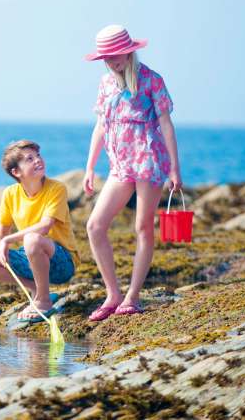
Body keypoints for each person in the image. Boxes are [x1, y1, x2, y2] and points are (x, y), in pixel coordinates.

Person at [82, 24, 182, 321]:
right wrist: (89, 167)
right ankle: (112, 294)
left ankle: (132, 297)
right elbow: (101, 125)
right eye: (106, 57)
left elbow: (165, 123)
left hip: (149, 160)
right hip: (120, 164)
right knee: (95, 226)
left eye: (115, 55)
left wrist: (175, 168)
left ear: (129, 51)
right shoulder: (105, 83)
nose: (111, 61)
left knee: (142, 227)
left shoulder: (151, 80)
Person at [0, 140, 78, 323]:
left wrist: (8, 240)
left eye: (38, 156)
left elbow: (45, 226)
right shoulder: (10, 194)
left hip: (62, 261)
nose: (38, 160)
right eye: (30, 159)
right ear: (16, 172)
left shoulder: (56, 188)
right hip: (30, 257)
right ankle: (38, 290)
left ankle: (43, 302)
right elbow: (1, 230)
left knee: (32, 240)